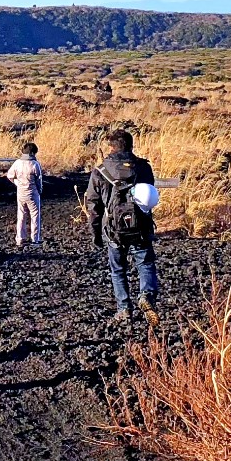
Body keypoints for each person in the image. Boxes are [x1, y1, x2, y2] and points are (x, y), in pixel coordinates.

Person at [84, 127, 159, 321]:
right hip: (140, 226)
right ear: (131, 145)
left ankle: (124, 309)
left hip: (113, 229)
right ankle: (146, 295)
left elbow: (93, 205)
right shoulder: (143, 168)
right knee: (145, 263)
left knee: (118, 269)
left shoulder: (99, 171)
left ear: (111, 147)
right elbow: (149, 196)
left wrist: (96, 234)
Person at [5, 141, 44, 247]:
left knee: (21, 215)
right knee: (35, 215)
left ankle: (20, 239)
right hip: (33, 193)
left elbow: (9, 175)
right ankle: (35, 239)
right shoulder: (35, 164)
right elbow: (39, 181)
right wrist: (39, 191)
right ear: (33, 153)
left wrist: (17, 183)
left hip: (21, 193)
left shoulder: (17, 163)